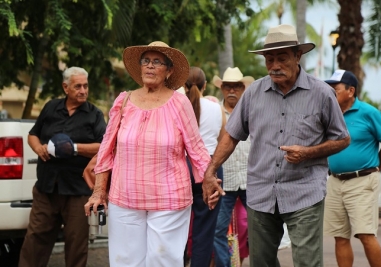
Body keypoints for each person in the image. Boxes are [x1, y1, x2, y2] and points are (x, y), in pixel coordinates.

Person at [202, 24, 351, 267]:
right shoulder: (254, 93)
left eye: (281, 58)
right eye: (269, 59)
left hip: (305, 192)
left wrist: (308, 152)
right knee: (261, 262)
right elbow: (231, 135)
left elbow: (343, 138)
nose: (274, 66)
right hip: (261, 192)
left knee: (307, 262)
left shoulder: (322, 93)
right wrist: (210, 171)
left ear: (297, 56)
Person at [83, 41, 213, 267]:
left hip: (169, 199)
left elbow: (196, 149)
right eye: (146, 61)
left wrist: (209, 181)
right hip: (124, 197)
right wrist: (98, 192)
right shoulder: (123, 101)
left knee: (162, 260)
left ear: (169, 70)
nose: (150, 66)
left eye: (157, 62)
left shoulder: (179, 103)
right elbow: (106, 150)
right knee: (125, 262)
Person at [18, 67, 107, 267]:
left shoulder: (94, 115)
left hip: (78, 191)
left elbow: (104, 147)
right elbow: (33, 134)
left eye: (86, 86)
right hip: (47, 188)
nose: (83, 90)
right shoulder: (51, 107)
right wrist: (37, 147)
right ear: (65, 88)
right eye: (78, 86)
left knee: (76, 245)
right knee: (35, 241)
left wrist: (74, 148)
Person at [324, 70, 381, 267]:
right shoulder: (329, 114)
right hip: (335, 181)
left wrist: (377, 166)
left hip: (362, 181)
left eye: (335, 89)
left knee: (365, 235)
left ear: (351, 91)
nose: (331, 92)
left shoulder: (369, 112)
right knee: (339, 236)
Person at [184, 66, 226, 267]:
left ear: (183, 85)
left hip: (181, 166)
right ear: (205, 86)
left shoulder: (177, 106)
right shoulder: (217, 108)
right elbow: (223, 140)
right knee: (205, 229)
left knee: (176, 226)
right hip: (210, 166)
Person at [211, 67, 253, 267]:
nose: (232, 91)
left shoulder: (252, 111)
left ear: (243, 88)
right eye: (227, 86)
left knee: (260, 229)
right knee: (217, 230)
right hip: (224, 181)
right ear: (222, 89)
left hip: (250, 180)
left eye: (236, 87)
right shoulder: (215, 112)